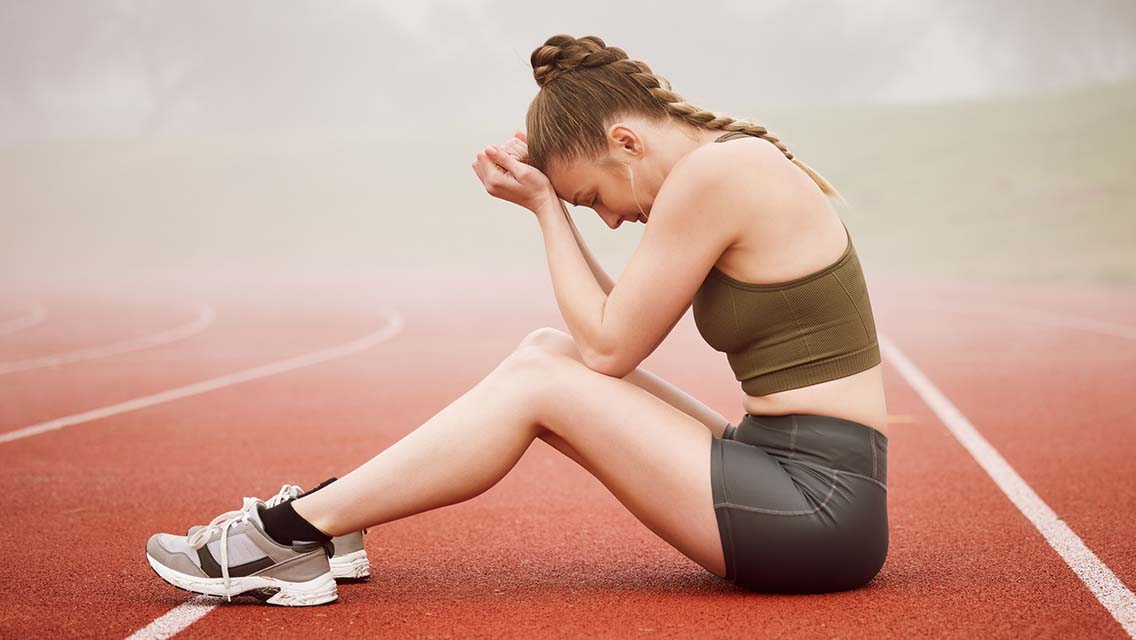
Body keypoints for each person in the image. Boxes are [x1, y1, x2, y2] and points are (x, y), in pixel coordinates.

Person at [145, 33, 889, 606]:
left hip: (819, 511)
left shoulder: (717, 176)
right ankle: (329, 522)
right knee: (547, 349)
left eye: (592, 195)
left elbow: (609, 350)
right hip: (782, 471)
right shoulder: (722, 168)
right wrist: (549, 195)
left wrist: (540, 206)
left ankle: (289, 536)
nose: (606, 219)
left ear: (626, 143)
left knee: (547, 377)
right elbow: (607, 334)